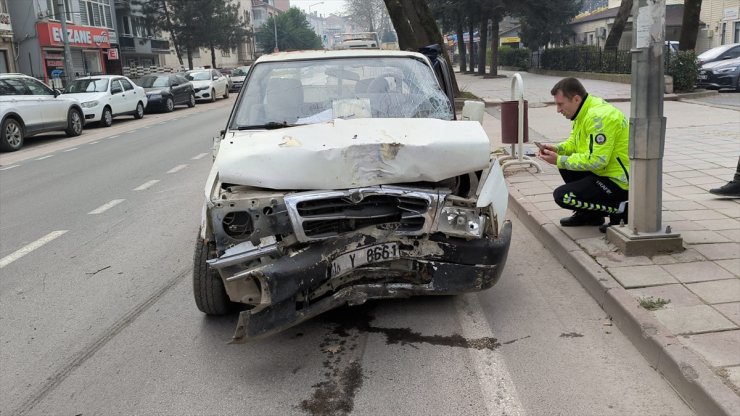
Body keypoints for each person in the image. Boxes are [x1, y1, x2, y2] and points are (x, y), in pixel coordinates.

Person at [537, 77, 630, 233]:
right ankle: (591, 216)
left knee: (562, 196)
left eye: (560, 104)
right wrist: (557, 149)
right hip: (604, 174)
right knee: (565, 166)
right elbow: (574, 145)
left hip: (619, 183)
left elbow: (597, 160)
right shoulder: (583, 112)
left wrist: (560, 160)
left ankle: (622, 209)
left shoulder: (599, 117)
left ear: (576, 99)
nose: (558, 110)